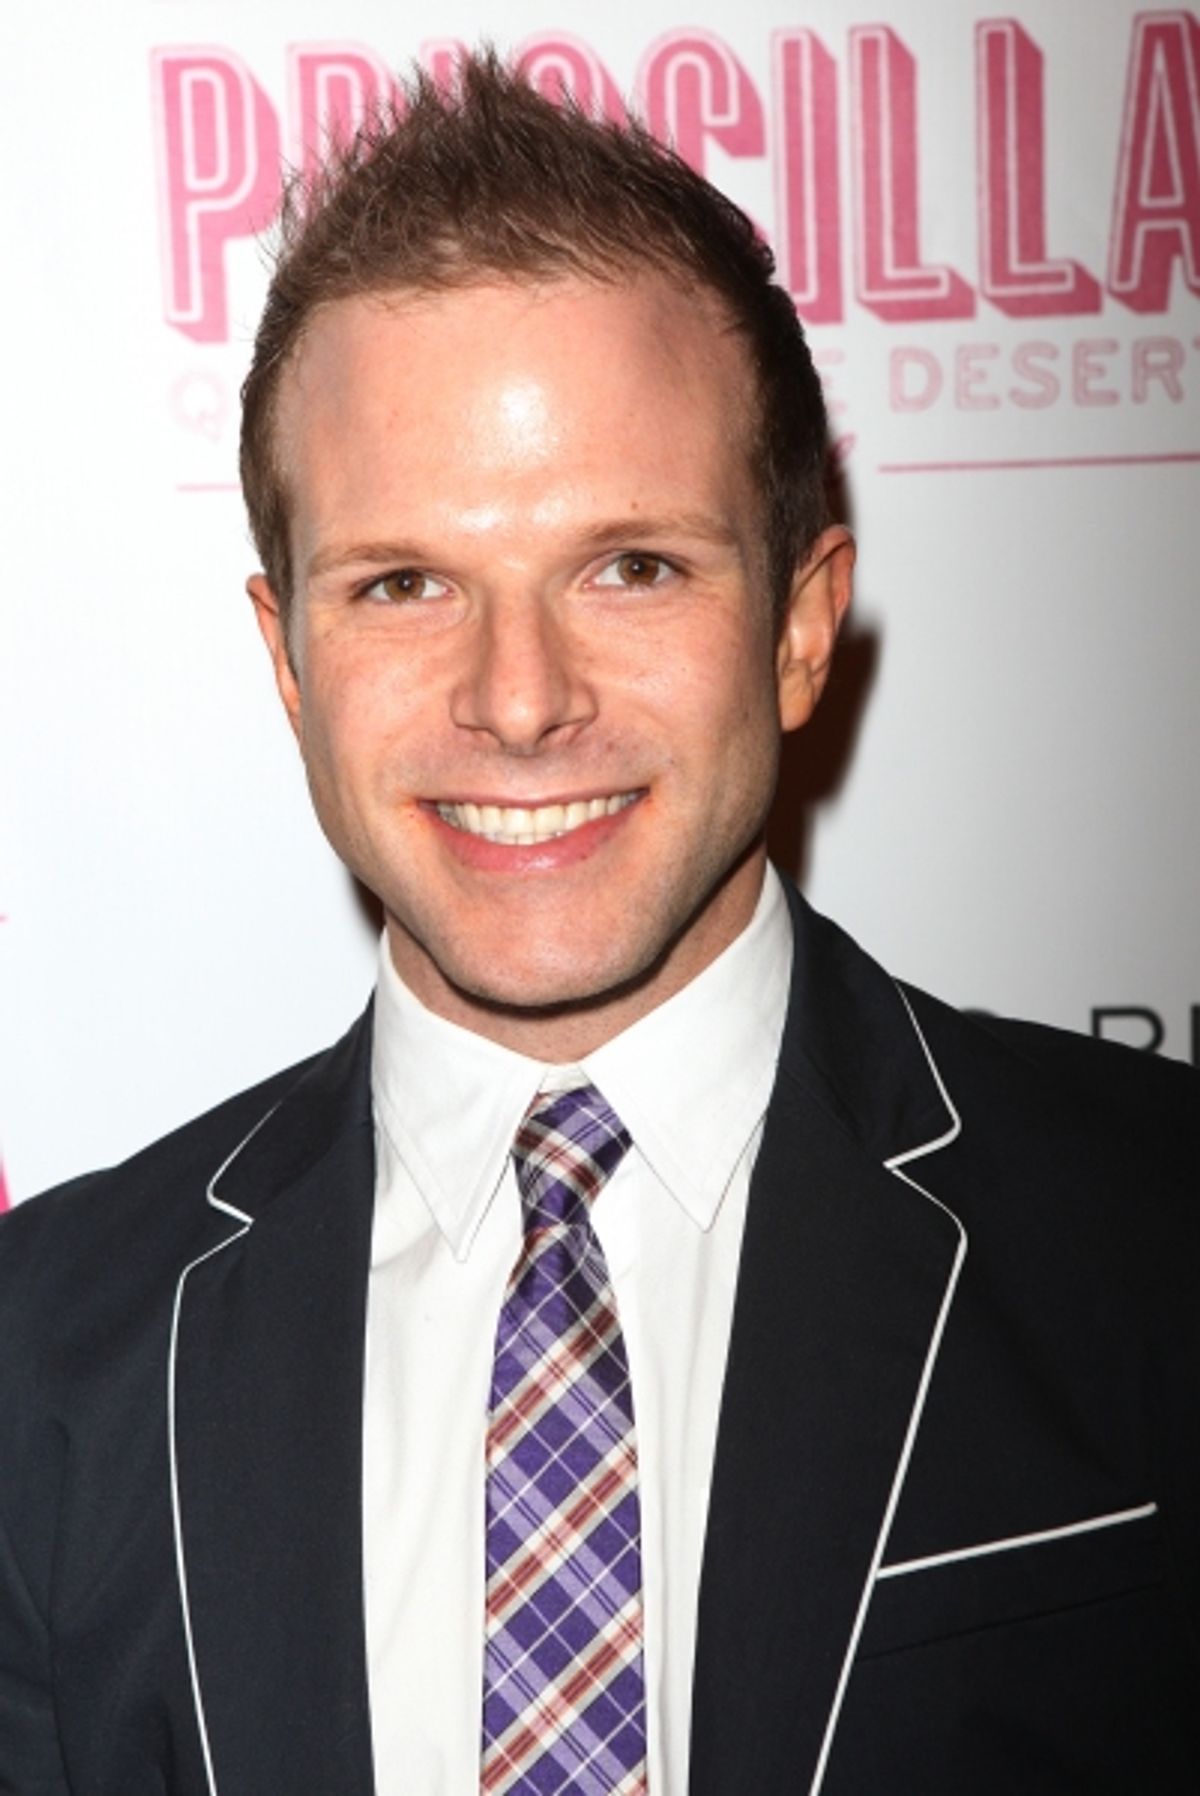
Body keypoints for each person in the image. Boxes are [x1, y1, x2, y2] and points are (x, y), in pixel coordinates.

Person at [1, 52, 1197, 1796]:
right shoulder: (46, 1351)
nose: (519, 698)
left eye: (630, 565)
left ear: (801, 626)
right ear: (287, 659)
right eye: (404, 584)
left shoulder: (1158, 1235)